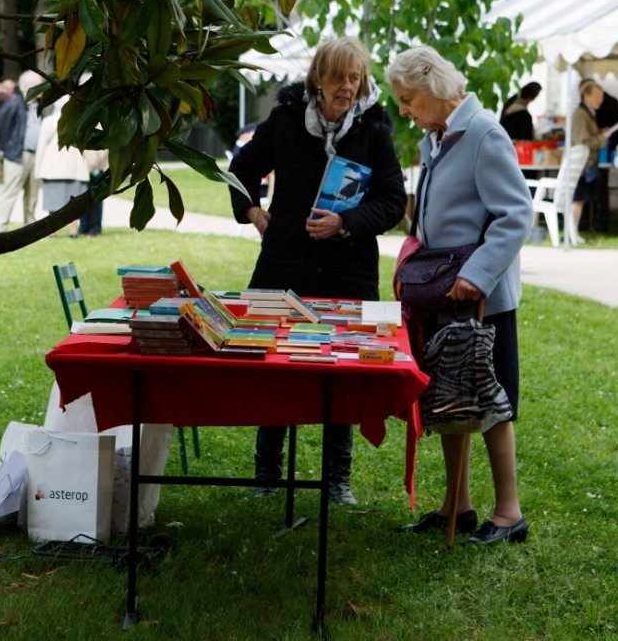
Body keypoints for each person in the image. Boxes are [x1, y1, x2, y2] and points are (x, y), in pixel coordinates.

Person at [228, 37, 406, 506]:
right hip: (285, 264)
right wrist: (252, 211)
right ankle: (266, 473)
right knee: (274, 366)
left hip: (348, 270)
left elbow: (391, 201)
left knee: (342, 370)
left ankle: (335, 480)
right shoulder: (286, 120)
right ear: (317, 81)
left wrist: (346, 222)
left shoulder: (374, 128)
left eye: (355, 79)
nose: (347, 88)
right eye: (338, 79)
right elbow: (241, 168)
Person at [386, 47, 532, 545]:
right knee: (451, 401)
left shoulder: (485, 133)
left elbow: (515, 215)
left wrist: (478, 273)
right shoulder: (438, 135)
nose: (404, 110)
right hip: (444, 291)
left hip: (481, 295)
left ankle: (510, 513)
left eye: (407, 99)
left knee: (491, 403)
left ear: (434, 84)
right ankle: (458, 505)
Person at [0, 72, 44, 232]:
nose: (42, 88)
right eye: (38, 85)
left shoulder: (41, 105)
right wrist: (9, 147)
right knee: (10, 191)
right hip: (17, 155)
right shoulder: (14, 103)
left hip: (36, 154)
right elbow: (0, 129)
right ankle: (0, 225)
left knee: (33, 193)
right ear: (27, 87)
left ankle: (30, 225)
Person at [35, 98, 89, 238]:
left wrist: (38, 169)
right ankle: (73, 231)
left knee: (53, 201)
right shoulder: (80, 121)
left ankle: (53, 231)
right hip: (76, 168)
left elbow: (41, 146)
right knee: (75, 202)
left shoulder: (48, 121)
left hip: (53, 168)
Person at [569, 81, 614, 245]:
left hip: (586, 164)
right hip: (581, 165)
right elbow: (583, 141)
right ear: (586, 96)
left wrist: (598, 133)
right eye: (596, 96)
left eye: (601, 96)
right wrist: (602, 138)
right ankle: (572, 233)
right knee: (577, 200)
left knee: (580, 200)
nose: (599, 100)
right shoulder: (581, 114)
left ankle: (574, 233)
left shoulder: (588, 113)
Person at [587, 80, 618, 232]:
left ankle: (600, 221)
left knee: (599, 187)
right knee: (598, 187)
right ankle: (596, 220)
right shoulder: (590, 108)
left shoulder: (608, 104)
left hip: (604, 150)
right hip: (600, 149)